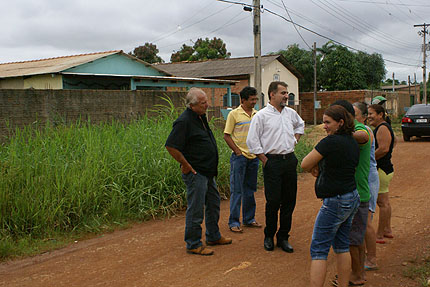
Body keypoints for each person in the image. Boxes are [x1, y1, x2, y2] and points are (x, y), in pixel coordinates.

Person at [165, 87, 232, 256]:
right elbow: (171, 146)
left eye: (206, 102)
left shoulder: (200, 117)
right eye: (203, 103)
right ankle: (193, 243)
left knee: (214, 204)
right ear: (192, 105)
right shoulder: (184, 121)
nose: (207, 105)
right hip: (197, 173)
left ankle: (213, 236)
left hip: (208, 172)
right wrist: (186, 165)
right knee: (196, 209)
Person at [301, 105, 360, 287]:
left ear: (340, 123)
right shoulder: (351, 141)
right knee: (342, 246)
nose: (324, 126)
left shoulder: (330, 142)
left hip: (336, 201)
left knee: (319, 249)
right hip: (351, 196)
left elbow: (304, 164)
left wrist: (315, 166)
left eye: (328, 122)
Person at [246, 81, 305, 253]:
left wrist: (295, 140)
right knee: (273, 201)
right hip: (272, 162)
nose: (287, 96)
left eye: (287, 93)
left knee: (289, 200)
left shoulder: (291, 114)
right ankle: (269, 236)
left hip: (289, 161)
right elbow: (252, 140)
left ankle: (283, 237)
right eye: (283, 93)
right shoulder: (261, 116)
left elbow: (300, 125)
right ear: (272, 94)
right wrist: (264, 159)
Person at [331, 100, 370, 286]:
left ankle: (356, 275)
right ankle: (358, 272)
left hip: (356, 192)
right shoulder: (353, 131)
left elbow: (363, 136)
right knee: (356, 237)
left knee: (352, 239)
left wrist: (342, 135)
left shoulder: (360, 129)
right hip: (358, 190)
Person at [224, 86, 261, 233]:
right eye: (251, 99)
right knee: (237, 190)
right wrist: (238, 152)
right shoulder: (234, 114)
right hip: (240, 158)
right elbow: (227, 135)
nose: (254, 102)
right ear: (243, 100)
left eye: (255, 99)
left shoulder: (258, 114)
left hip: (254, 157)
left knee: (250, 190)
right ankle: (234, 222)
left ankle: (249, 219)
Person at [353, 102, 380, 271]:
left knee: (367, 221)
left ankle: (371, 259)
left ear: (363, 117)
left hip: (368, 177)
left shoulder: (364, 131)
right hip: (363, 176)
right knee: (361, 221)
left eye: (353, 114)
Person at [368, 104, 395, 244]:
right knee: (385, 202)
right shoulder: (384, 127)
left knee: (382, 203)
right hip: (385, 169)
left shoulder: (382, 128)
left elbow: (383, 149)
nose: (369, 116)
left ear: (380, 115)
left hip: (381, 170)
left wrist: (368, 158)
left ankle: (379, 234)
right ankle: (387, 230)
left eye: (371, 113)